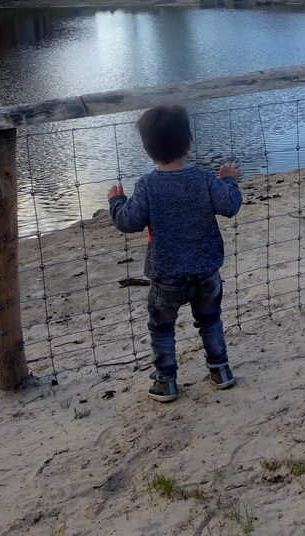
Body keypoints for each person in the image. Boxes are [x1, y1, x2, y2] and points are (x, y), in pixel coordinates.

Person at [108, 105, 242, 403]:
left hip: (166, 275)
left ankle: (166, 382)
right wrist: (229, 181)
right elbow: (230, 206)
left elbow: (128, 221)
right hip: (207, 271)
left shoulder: (147, 185)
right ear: (189, 143)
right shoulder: (205, 179)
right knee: (210, 320)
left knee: (162, 326)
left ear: (147, 151)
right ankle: (221, 371)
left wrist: (116, 201)